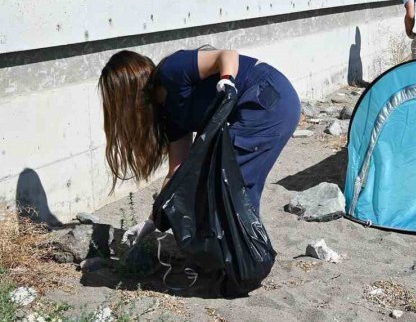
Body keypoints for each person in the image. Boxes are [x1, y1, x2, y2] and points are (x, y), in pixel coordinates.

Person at [100, 48, 301, 244]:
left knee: (226, 182)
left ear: (129, 91)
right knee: (229, 185)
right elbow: (176, 172)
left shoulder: (172, 70)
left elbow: (228, 54)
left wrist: (226, 78)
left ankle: (241, 255)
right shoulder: (170, 114)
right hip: (264, 106)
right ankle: (242, 255)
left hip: (268, 98)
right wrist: (152, 220)